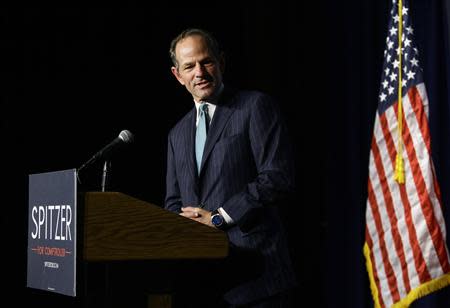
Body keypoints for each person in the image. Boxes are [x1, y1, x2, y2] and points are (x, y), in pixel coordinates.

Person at [165, 28, 297, 307]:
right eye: (189, 66)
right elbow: (174, 202)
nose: (199, 72)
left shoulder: (255, 106)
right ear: (178, 76)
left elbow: (277, 177)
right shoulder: (177, 134)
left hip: (258, 277)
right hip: (204, 283)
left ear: (221, 63)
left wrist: (218, 218)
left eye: (206, 61)